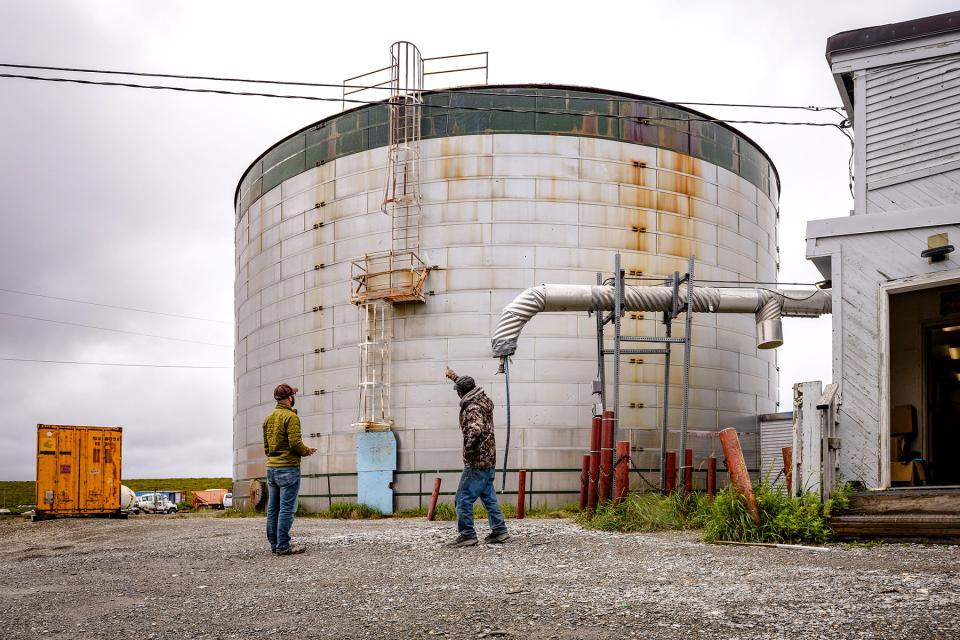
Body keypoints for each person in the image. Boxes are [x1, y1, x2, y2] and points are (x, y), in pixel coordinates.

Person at [444, 367, 510, 547]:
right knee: (488, 496)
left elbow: (475, 430)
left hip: (477, 461)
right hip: (489, 458)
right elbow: (466, 385)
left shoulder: (472, 407)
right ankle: (499, 530)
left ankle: (467, 535)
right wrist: (454, 376)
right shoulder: (482, 400)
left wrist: (468, 450)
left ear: (461, 393)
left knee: (463, 498)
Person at [263, 383, 316, 555]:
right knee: (286, 509)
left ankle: (274, 545)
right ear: (290, 398)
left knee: (273, 509)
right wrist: (306, 451)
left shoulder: (268, 418)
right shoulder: (291, 417)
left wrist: (274, 457)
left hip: (271, 468)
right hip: (288, 469)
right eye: (293, 395)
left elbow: (266, 447)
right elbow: (295, 443)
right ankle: (283, 546)